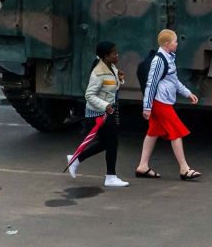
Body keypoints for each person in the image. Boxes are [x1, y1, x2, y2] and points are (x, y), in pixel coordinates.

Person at [134, 29, 201, 181]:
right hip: (160, 102)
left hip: (162, 101)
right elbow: (151, 84)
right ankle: (184, 168)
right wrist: (147, 107)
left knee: (153, 132)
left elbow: (174, 80)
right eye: (175, 41)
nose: (177, 44)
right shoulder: (159, 61)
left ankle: (142, 166)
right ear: (167, 44)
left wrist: (187, 93)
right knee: (176, 132)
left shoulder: (168, 57)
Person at [67, 42, 130, 188]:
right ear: (106, 56)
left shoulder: (111, 67)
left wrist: (118, 79)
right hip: (99, 114)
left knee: (107, 143)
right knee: (111, 142)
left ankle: (76, 159)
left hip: (107, 112)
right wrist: (105, 106)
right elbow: (89, 95)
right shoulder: (98, 72)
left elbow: (109, 87)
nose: (117, 55)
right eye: (114, 53)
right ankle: (110, 176)